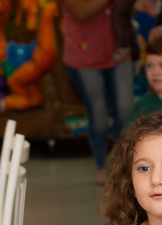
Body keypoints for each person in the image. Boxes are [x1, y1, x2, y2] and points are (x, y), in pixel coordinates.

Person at [61, 0, 135, 185]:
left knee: (126, 110)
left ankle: (121, 164)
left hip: (119, 49)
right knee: (98, 111)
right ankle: (101, 166)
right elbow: (79, 11)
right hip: (84, 54)